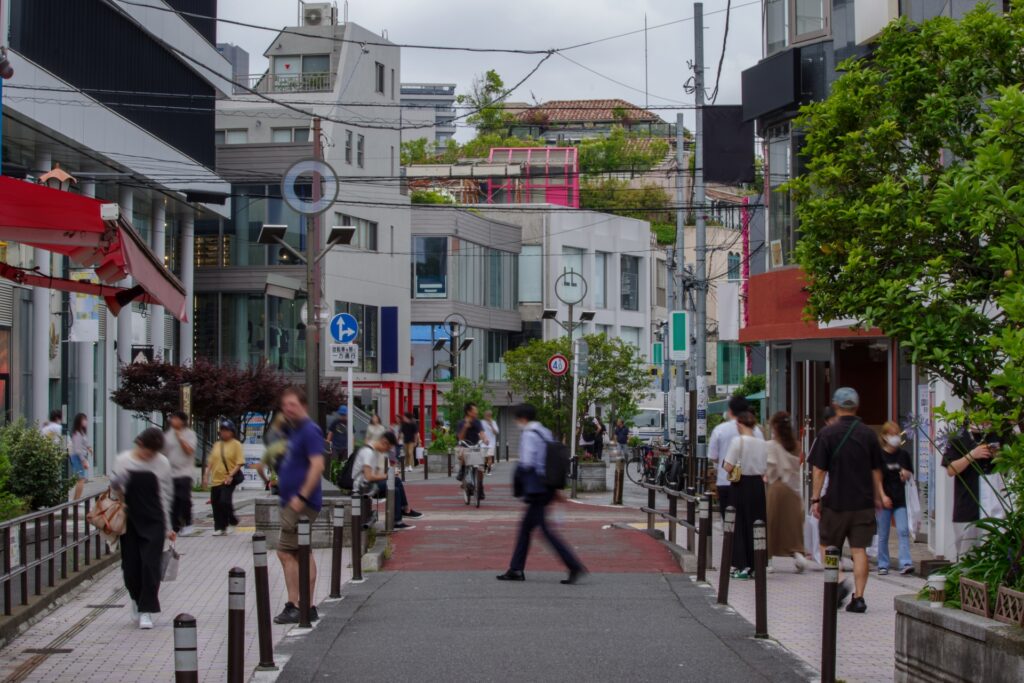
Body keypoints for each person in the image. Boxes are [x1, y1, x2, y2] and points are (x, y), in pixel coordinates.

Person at [809, 387, 891, 614]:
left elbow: (818, 470)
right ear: (857, 407)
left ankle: (838, 582)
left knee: (827, 545)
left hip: (835, 502)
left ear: (835, 406)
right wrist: (877, 496)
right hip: (863, 503)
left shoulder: (827, 434)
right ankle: (859, 597)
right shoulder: (868, 435)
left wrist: (816, 499)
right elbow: (876, 470)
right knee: (859, 550)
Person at [497, 404, 586, 584]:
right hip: (548, 485)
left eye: (517, 419)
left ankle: (573, 565)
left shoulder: (529, 435)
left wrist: (518, 481)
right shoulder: (544, 431)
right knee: (526, 528)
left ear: (522, 418)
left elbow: (527, 462)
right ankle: (516, 568)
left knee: (544, 531)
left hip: (537, 488)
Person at [111, 428, 174, 630]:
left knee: (150, 565)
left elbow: (165, 494)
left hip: (154, 519)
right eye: (147, 450)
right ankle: (136, 600)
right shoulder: (123, 460)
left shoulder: (162, 463)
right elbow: (115, 491)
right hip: (130, 518)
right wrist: (117, 484)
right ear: (139, 444)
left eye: (153, 452)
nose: (149, 456)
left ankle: (146, 610)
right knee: (130, 567)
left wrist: (169, 526)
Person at [274, 387, 325, 625]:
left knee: (286, 552)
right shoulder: (294, 431)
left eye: (292, 404)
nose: (288, 408)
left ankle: (295, 604)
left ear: (303, 406)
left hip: (300, 503)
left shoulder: (309, 431)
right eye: (285, 404)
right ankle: (308, 605)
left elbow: (317, 466)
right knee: (302, 552)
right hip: (294, 501)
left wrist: (302, 496)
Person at [941, 421, 1002, 559]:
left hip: (994, 509)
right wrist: (972, 455)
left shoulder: (996, 434)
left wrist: (999, 456)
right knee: (967, 558)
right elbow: (951, 470)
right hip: (967, 508)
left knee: (994, 557)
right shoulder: (959, 436)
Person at [722, 411, 768, 579]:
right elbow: (765, 468)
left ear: (740, 424)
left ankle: (742, 565)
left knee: (739, 524)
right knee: (757, 523)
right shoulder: (763, 443)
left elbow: (728, 466)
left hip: (740, 485)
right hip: (757, 485)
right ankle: (758, 564)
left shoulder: (737, 441)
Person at [709, 397, 764, 525]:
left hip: (725, 481)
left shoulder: (720, 430)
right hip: (753, 483)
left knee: (730, 523)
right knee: (751, 522)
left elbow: (713, 456)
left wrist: (726, 461)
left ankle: (732, 544)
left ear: (730, 411)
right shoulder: (757, 432)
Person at [765, 411, 809, 573]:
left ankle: (768, 560)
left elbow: (769, 470)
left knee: (772, 525)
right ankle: (798, 555)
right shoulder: (797, 445)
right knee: (793, 528)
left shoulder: (771, 445)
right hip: (794, 491)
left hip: (776, 489)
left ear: (774, 427)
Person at [352, 431, 423, 529]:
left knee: (396, 482)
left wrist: (388, 474)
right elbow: (368, 477)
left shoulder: (371, 450)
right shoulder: (368, 452)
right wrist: (387, 475)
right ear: (384, 442)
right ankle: (398, 519)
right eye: (388, 448)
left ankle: (404, 511)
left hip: (367, 483)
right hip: (362, 486)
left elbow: (372, 474)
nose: (386, 451)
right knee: (394, 486)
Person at [877, 421, 914, 576]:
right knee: (883, 533)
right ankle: (883, 564)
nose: (895, 437)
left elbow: (909, 472)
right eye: (891, 434)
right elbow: (876, 478)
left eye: (896, 434)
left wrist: (906, 474)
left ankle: (905, 562)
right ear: (884, 436)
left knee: (903, 530)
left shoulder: (903, 454)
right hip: (884, 497)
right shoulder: (879, 455)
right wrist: (882, 496)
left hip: (900, 498)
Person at [203, 420, 244, 536]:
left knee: (224, 501)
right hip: (215, 479)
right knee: (215, 504)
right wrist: (206, 476)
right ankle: (221, 528)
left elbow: (239, 463)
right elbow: (210, 462)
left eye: (227, 430)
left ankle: (232, 521)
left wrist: (231, 475)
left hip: (228, 479)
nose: (224, 433)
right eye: (222, 430)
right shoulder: (217, 445)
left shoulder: (236, 444)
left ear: (232, 432)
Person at [164, 411, 197, 535]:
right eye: (172, 419)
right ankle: (175, 527)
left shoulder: (190, 434)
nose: (173, 421)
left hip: (185, 472)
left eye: (176, 419)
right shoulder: (168, 435)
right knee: (173, 500)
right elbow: (163, 453)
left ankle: (188, 522)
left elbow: (189, 450)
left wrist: (180, 438)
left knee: (183, 498)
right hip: (171, 473)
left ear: (183, 421)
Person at [456, 403, 488, 498]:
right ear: (469, 412)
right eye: (475, 410)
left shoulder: (477, 422)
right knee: (462, 452)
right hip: (464, 445)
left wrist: (485, 439)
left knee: (480, 467)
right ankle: (462, 471)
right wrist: (465, 427)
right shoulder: (461, 423)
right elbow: (460, 437)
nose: (476, 412)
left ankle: (480, 487)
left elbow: (482, 433)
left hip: (475, 446)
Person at [69, 413, 92, 501]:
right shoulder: (77, 433)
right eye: (84, 420)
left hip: (80, 457)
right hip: (78, 458)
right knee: (80, 479)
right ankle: (76, 500)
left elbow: (84, 443)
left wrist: (89, 447)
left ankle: (77, 500)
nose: (86, 422)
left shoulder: (81, 432)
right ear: (79, 421)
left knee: (81, 479)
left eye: (86, 419)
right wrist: (83, 460)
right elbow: (78, 449)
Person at [481, 410, 499, 475]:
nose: (487, 417)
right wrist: (482, 439)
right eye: (486, 415)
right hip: (483, 443)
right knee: (484, 457)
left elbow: (496, 432)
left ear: (490, 416)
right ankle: (485, 468)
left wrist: (491, 425)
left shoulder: (493, 422)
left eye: (489, 415)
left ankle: (488, 471)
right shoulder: (482, 422)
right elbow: (479, 432)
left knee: (489, 457)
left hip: (491, 443)